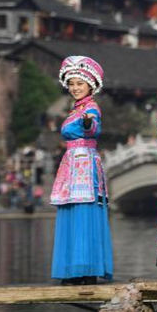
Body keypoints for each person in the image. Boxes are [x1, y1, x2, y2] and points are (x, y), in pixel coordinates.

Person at [50, 56, 113, 286]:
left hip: (85, 164)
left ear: (91, 85)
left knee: (84, 213)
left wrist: (87, 124)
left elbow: (93, 127)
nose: (75, 88)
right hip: (72, 164)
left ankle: (87, 270)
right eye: (72, 83)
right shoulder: (75, 110)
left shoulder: (91, 109)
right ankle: (74, 269)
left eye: (80, 83)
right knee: (72, 212)